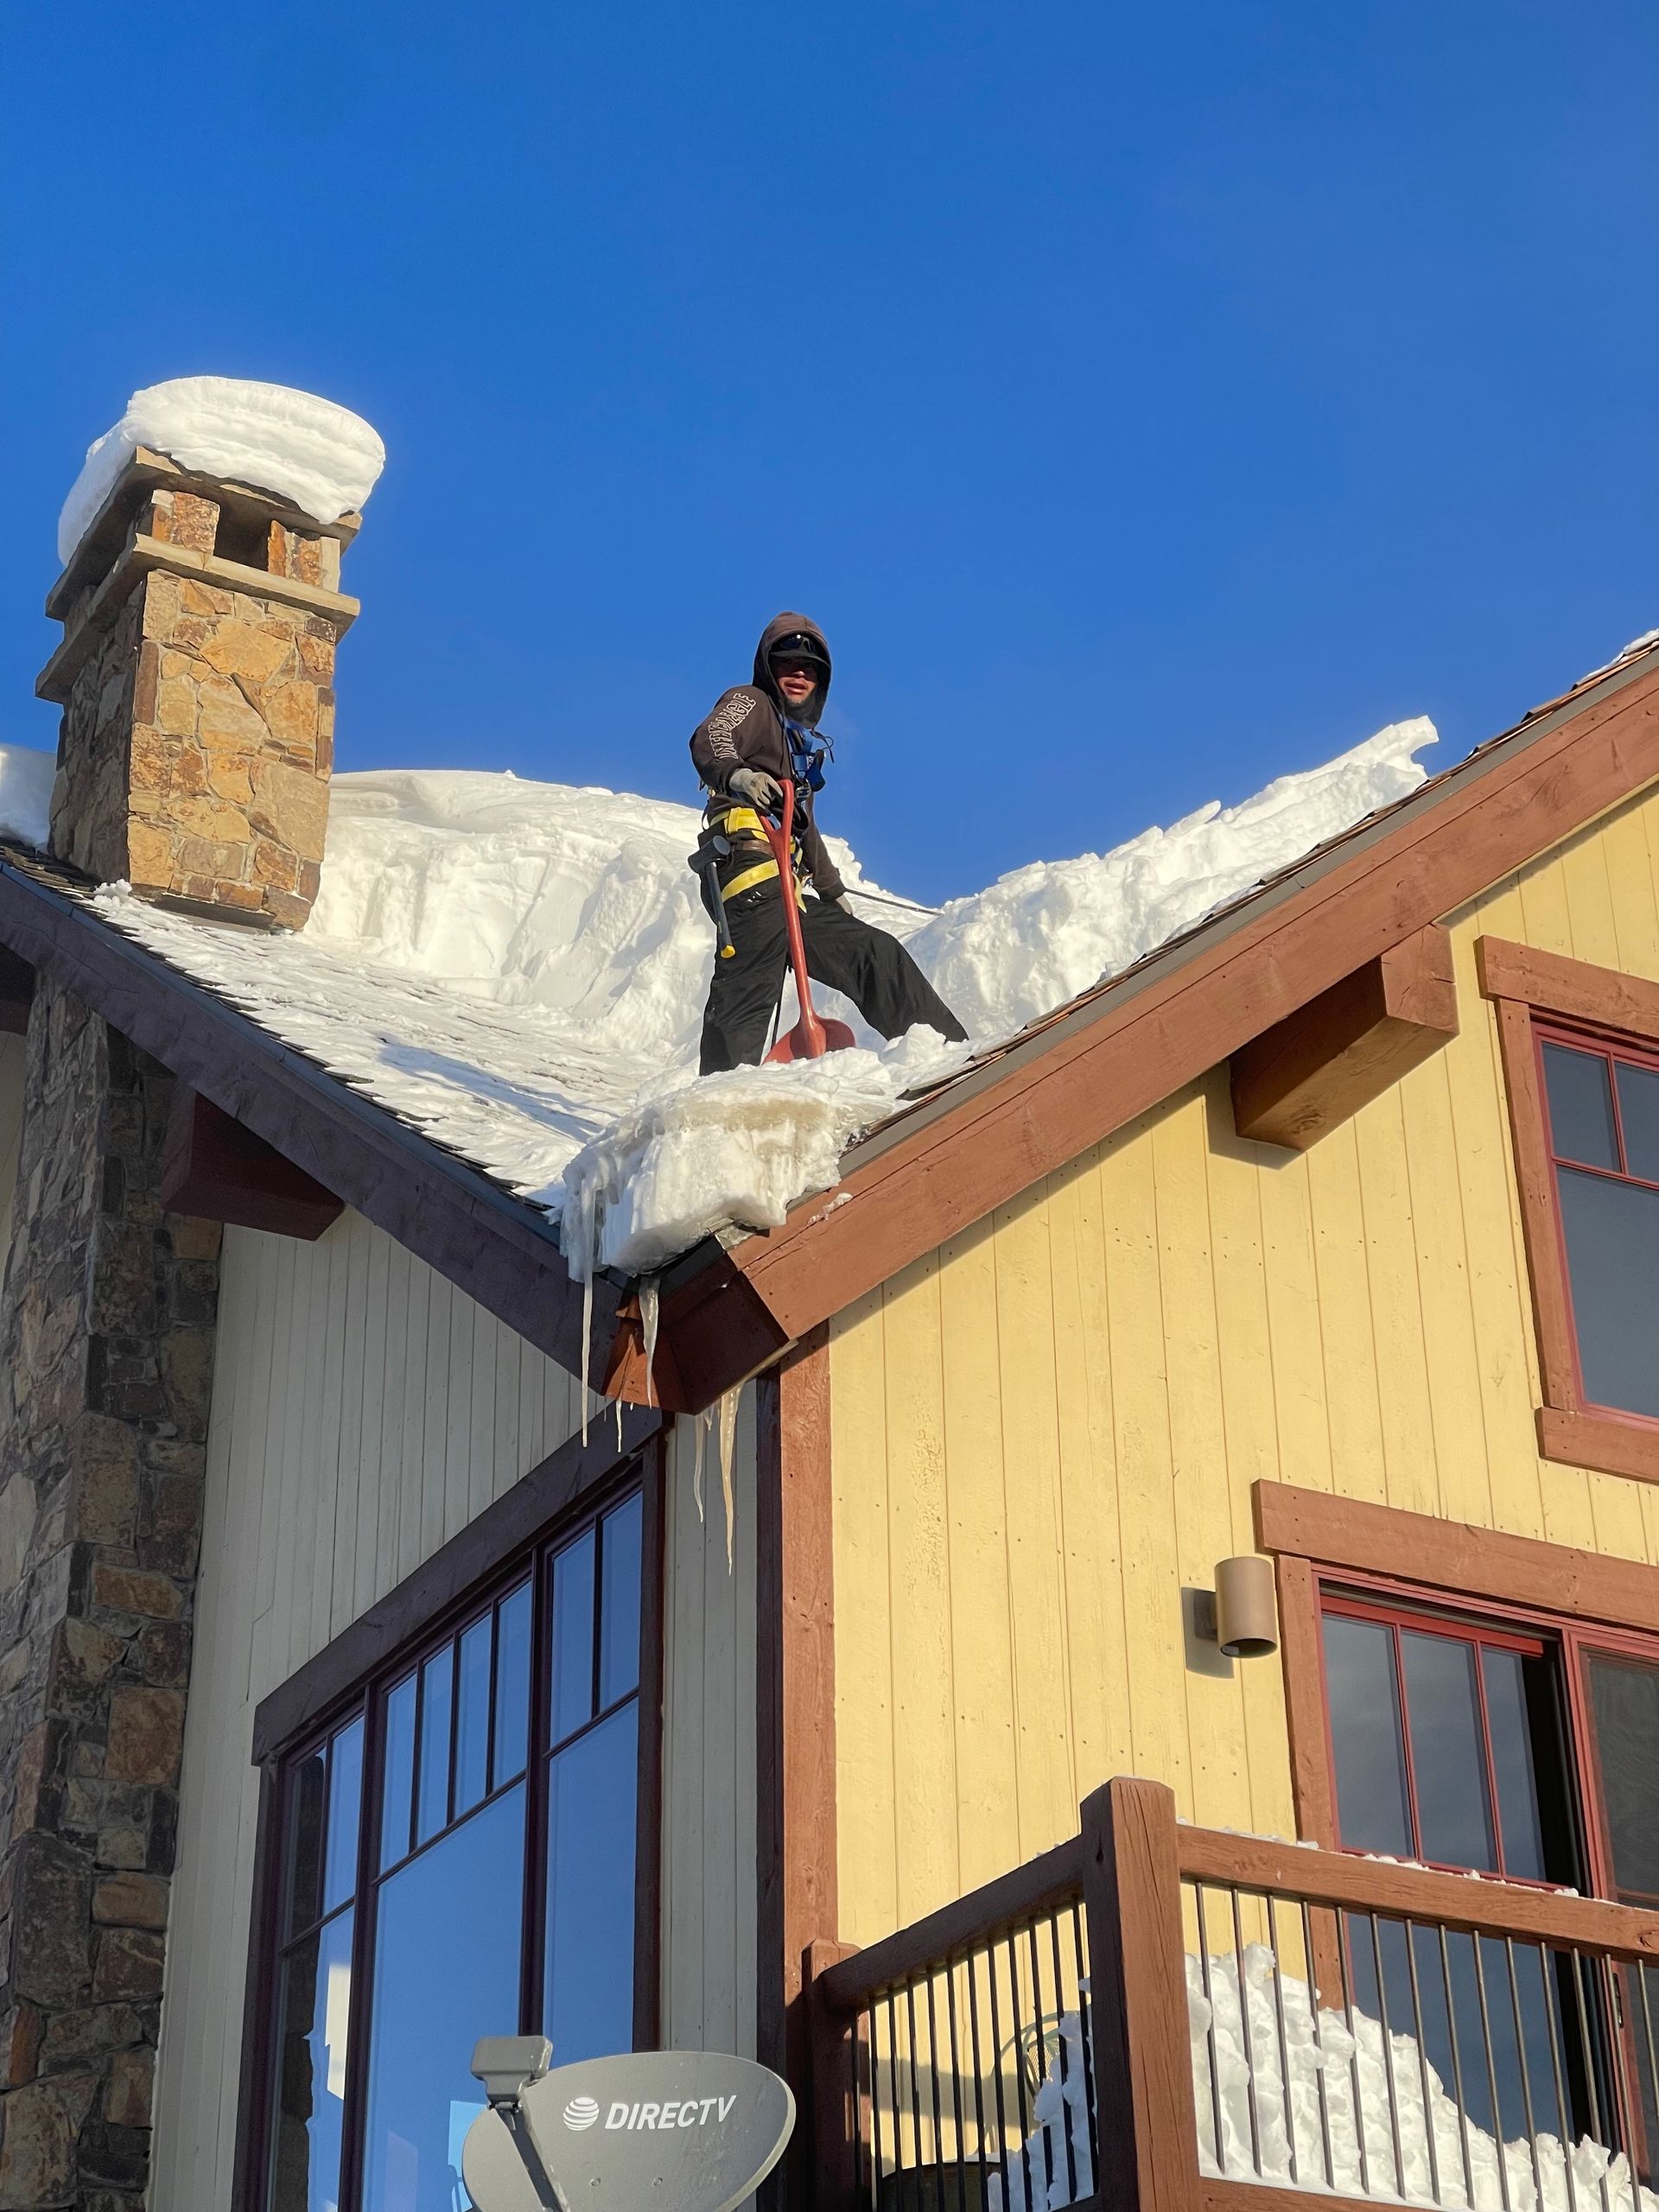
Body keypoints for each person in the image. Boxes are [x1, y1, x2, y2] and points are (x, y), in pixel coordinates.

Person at [690, 613, 968, 1074]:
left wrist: (832, 888)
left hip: (788, 893)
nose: (800, 674)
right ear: (767, 667)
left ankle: (950, 1059)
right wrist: (736, 774)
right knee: (744, 1002)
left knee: (874, 953)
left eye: (811, 668)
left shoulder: (794, 745)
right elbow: (713, 735)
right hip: (751, 882)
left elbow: (803, 829)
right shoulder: (750, 702)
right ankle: (714, 1113)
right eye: (788, 663)